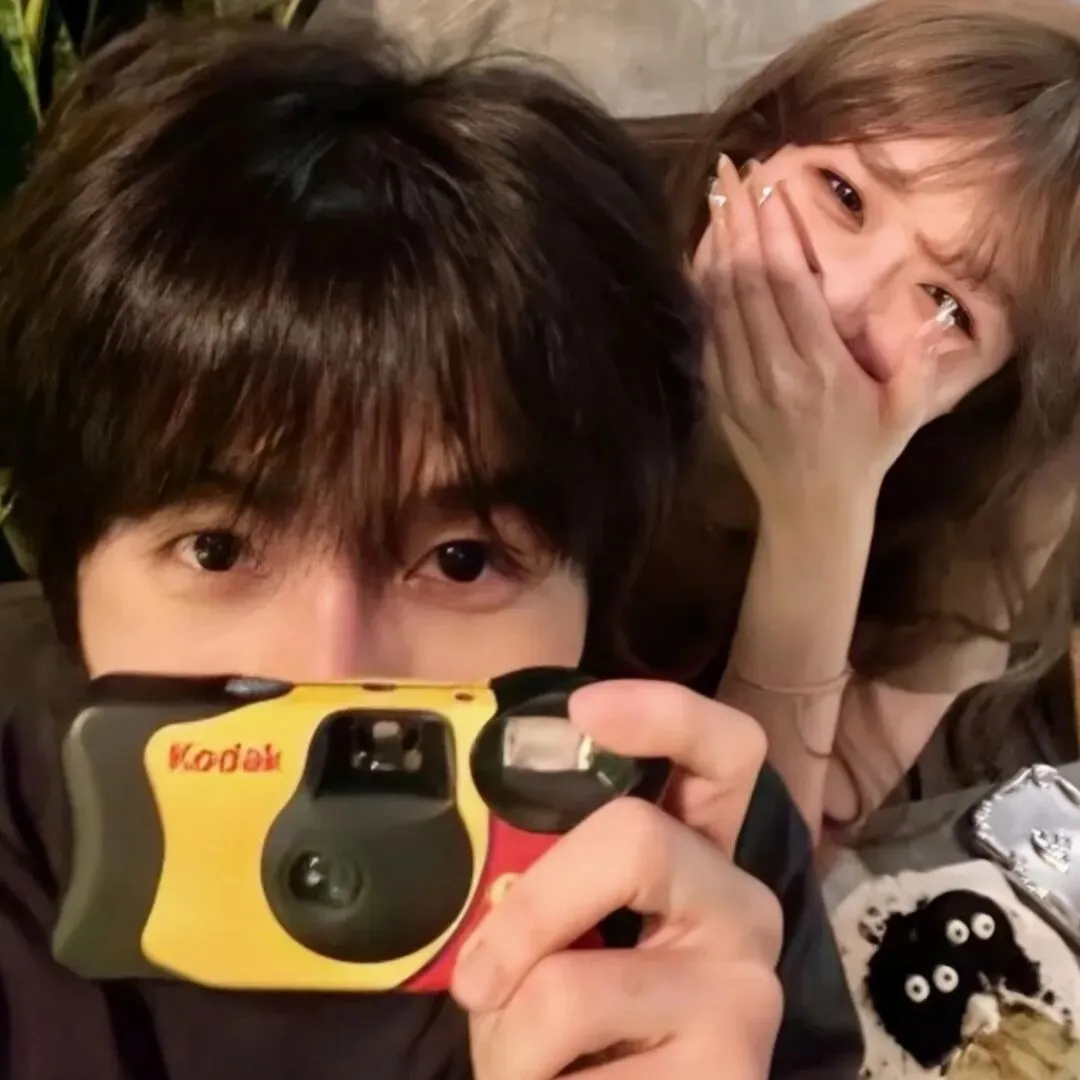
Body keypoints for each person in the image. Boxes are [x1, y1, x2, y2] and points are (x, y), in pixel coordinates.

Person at [0, 17, 862, 1080]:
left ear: (594, 590)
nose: (331, 669)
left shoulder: (690, 837)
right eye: (218, 550)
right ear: (69, 564)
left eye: (462, 559)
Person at [626, 0, 1080, 847]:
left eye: (946, 301)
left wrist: (817, 521)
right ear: (756, 149)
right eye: (843, 195)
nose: (838, 298)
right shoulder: (544, 247)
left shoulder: (986, 494)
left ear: (980, 394)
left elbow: (775, 867)